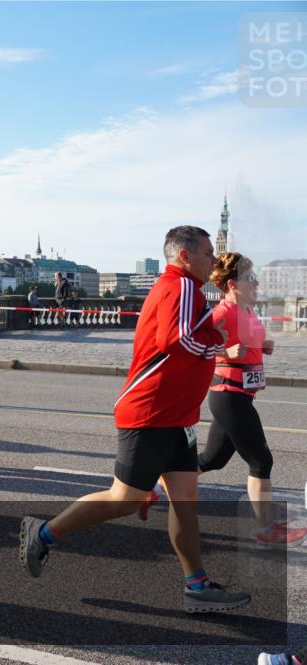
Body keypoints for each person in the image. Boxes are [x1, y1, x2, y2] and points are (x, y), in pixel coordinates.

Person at [19, 225, 252, 614]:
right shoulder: (180, 286)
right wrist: (221, 346)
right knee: (122, 500)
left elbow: (186, 337)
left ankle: (197, 586)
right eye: (208, 252)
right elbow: (175, 341)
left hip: (177, 419)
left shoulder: (187, 288)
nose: (213, 259)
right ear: (185, 256)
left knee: (186, 504)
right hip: (151, 415)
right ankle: (42, 533)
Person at [194, 253, 305, 546]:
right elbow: (194, 346)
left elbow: (246, 343)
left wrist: (261, 346)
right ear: (233, 284)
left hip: (241, 394)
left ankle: (155, 482)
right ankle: (266, 530)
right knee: (260, 460)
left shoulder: (248, 310)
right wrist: (224, 352)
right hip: (229, 395)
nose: (256, 283)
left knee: (212, 460)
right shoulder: (222, 312)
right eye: (250, 278)